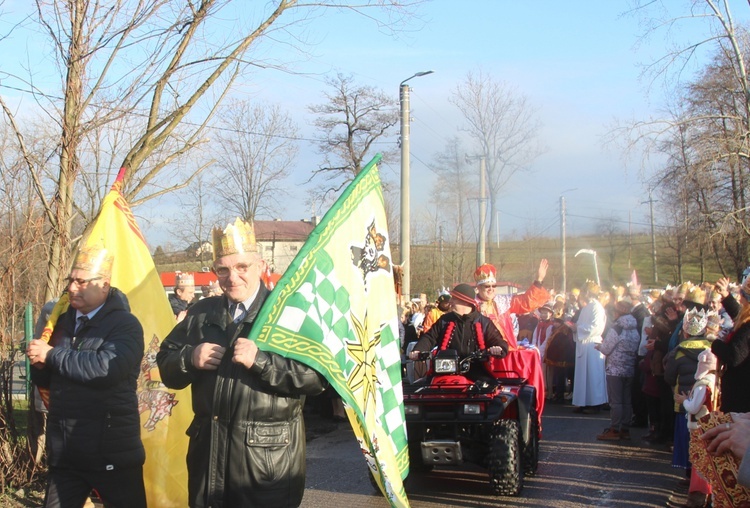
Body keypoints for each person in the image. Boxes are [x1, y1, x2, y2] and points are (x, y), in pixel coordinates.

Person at [156, 218, 328, 508]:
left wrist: (261, 361)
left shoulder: (287, 314)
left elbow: (317, 377)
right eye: (223, 269)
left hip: (266, 467)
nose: (232, 277)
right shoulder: (200, 313)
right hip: (208, 463)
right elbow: (165, 363)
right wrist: (189, 358)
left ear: (260, 265)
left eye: (241, 267)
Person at [26, 245, 146, 508]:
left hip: (112, 452)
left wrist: (51, 356)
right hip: (67, 453)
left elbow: (106, 369)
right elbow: (49, 383)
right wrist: (39, 364)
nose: (71, 287)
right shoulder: (59, 321)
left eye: (81, 281)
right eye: (70, 280)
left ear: (104, 285)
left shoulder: (125, 325)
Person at [408, 283, 508, 381]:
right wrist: (418, 350)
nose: (450, 301)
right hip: (445, 371)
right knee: (424, 391)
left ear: (465, 301)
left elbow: (499, 342)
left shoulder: (484, 322)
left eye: (454, 298)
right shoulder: (444, 320)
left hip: (476, 371)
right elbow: (429, 338)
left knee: (489, 391)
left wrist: (498, 348)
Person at [474, 259, 550, 350]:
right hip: (480, 352)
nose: (491, 289)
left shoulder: (503, 301)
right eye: (487, 286)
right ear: (478, 287)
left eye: (493, 286)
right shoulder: (471, 305)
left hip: (504, 352)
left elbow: (526, 302)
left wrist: (539, 280)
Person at [595, 297, 641, 441]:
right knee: (626, 400)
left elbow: (607, 348)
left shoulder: (617, 328)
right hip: (629, 368)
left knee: (616, 401)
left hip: (615, 369)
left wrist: (599, 346)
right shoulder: (635, 328)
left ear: (618, 313)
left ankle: (614, 428)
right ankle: (625, 428)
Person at [711, 274, 750, 413]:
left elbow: (734, 356)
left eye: (743, 296)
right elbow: (739, 315)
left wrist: (715, 343)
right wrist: (726, 296)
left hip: (741, 398)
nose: (740, 298)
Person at [571, 281, 608, 413]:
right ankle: (584, 402)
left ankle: (595, 403)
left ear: (587, 292)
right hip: (583, 343)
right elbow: (581, 324)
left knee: (593, 374)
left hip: (592, 344)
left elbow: (596, 327)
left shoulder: (596, 307)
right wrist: (575, 328)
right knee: (583, 374)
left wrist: (577, 328)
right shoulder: (587, 307)